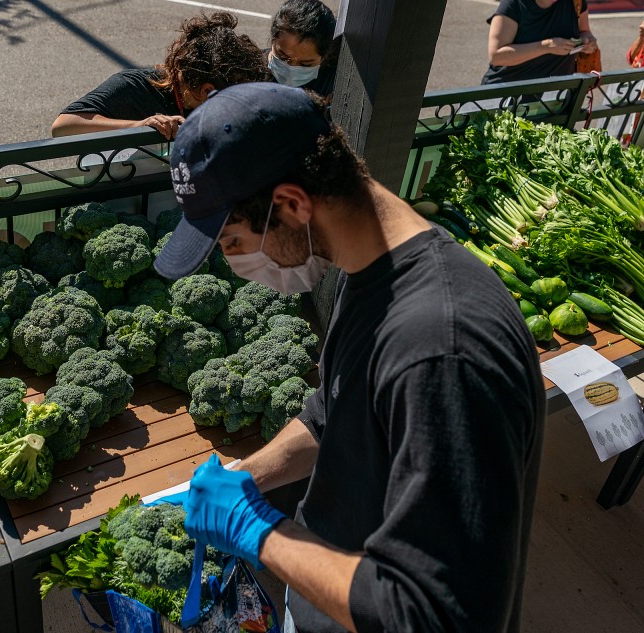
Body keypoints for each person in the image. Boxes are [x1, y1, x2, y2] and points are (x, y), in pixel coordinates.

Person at [154, 83, 545, 632]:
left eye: (233, 244)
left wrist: (257, 531)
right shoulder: (371, 269)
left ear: (290, 205)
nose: (236, 263)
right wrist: (248, 478)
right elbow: (334, 410)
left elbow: (436, 614)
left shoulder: (443, 350)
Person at [51, 12, 268, 140]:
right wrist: (139, 125)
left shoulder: (236, 83)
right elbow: (63, 126)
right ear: (207, 91)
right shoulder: (134, 86)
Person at [482, 0, 598, 84]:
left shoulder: (575, 2)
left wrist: (588, 41)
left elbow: (584, 31)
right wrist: (545, 46)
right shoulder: (513, 4)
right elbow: (496, 56)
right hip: (509, 98)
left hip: (555, 97)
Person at [267, 0, 338, 97]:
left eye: (306, 65)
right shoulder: (250, 70)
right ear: (273, 41)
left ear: (324, 57)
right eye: (282, 57)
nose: (291, 70)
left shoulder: (334, 85)